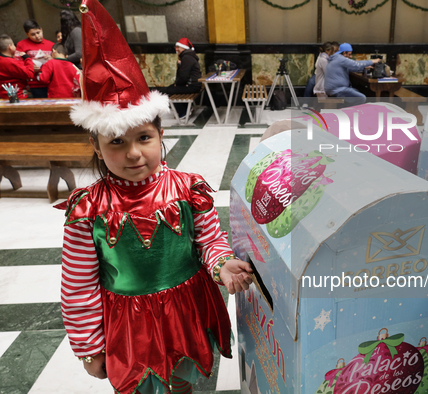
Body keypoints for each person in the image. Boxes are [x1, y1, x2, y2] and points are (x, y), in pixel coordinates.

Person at [57, 1, 253, 393]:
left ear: (161, 135)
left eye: (144, 138)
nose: (133, 153)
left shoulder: (188, 189)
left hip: (188, 310)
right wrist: (88, 347)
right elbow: (78, 285)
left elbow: (208, 240)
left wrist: (221, 265)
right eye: (116, 142)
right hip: (130, 324)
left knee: (184, 383)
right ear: (96, 148)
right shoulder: (88, 210)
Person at [154, 37, 202, 117]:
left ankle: (183, 113)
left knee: (169, 90)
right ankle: (186, 110)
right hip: (192, 85)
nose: (176, 49)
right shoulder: (188, 56)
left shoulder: (187, 58)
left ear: (184, 47)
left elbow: (183, 76)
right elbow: (182, 75)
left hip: (192, 86)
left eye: (178, 47)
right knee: (171, 88)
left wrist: (177, 84)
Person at [15, 19, 54, 98]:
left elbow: (59, 63)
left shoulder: (51, 45)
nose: (37, 36)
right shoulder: (21, 45)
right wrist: (29, 68)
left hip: (51, 82)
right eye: (33, 34)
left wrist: (52, 60)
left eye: (38, 32)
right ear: (27, 34)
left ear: (41, 29)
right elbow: (16, 64)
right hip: (33, 83)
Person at [0, 34, 34, 99]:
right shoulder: (11, 62)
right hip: (17, 96)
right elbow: (29, 74)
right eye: (13, 44)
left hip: (3, 96)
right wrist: (27, 59)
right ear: (10, 47)